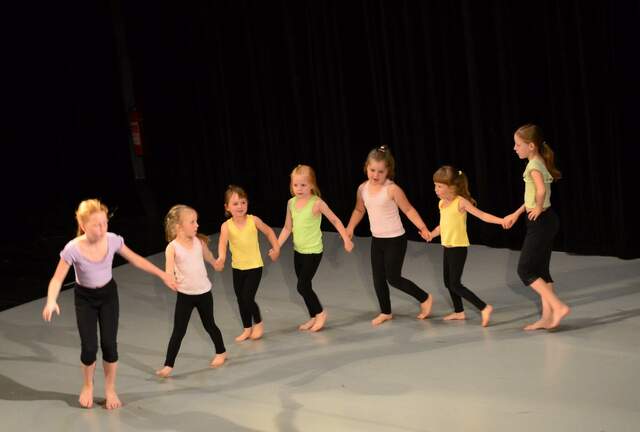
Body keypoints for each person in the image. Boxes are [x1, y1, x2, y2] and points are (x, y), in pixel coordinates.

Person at [41, 199, 176, 409]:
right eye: (97, 225)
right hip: (85, 299)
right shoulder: (73, 249)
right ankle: (88, 385)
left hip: (108, 296)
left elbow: (136, 259)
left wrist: (162, 274)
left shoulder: (112, 240)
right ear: (83, 225)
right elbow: (57, 278)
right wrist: (51, 300)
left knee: (109, 345)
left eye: (105, 223)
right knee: (89, 348)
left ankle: (110, 389)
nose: (102, 228)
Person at [345, 146, 433, 326]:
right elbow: (359, 210)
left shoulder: (392, 189)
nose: (375, 175)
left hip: (395, 239)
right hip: (377, 240)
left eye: (380, 171)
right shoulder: (362, 189)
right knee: (378, 278)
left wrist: (422, 227)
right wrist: (350, 227)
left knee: (393, 278)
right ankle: (386, 312)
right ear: (366, 167)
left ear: (388, 171)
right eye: (372, 170)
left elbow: (408, 210)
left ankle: (425, 297)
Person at [503, 124, 570, 330]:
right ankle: (547, 317)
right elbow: (532, 196)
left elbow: (540, 192)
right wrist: (516, 213)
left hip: (540, 222)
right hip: (548, 220)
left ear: (531, 146)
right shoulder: (539, 161)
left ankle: (558, 307)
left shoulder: (532, 166)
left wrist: (538, 208)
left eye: (518, 145)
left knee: (525, 270)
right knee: (541, 271)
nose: (515, 148)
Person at [277, 164, 354, 332]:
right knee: (305, 286)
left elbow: (335, 220)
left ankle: (320, 313)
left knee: (302, 286)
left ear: (311, 184)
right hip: (298, 251)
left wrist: (346, 239)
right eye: (295, 185)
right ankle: (313, 316)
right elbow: (287, 228)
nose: (299, 188)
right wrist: (277, 246)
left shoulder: (317, 203)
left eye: (303, 185)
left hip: (313, 252)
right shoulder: (291, 203)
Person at [156, 205, 227, 378]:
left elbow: (209, 257)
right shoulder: (172, 247)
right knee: (178, 331)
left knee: (209, 325)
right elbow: (168, 270)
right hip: (185, 296)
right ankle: (168, 365)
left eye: (197, 221)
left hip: (204, 293)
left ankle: (221, 351)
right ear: (179, 227)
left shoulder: (199, 243)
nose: (197, 225)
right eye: (192, 222)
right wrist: (170, 279)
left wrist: (216, 263)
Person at [427, 166, 503, 327]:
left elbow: (482, 215)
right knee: (448, 282)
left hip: (458, 248)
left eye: (439, 186)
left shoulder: (460, 202)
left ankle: (484, 307)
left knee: (455, 283)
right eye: (435, 185)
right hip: (447, 247)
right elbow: (443, 225)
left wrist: (501, 221)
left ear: (452, 187)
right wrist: (432, 234)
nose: (436, 189)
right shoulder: (442, 203)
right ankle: (459, 311)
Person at [214, 185, 280, 341]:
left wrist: (276, 248)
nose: (240, 206)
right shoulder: (226, 226)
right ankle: (247, 328)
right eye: (235, 203)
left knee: (247, 298)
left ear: (247, 203)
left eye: (243, 202)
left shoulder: (253, 220)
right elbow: (222, 244)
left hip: (254, 267)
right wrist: (221, 258)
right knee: (240, 300)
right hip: (238, 268)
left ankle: (258, 322)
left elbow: (269, 231)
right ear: (227, 207)